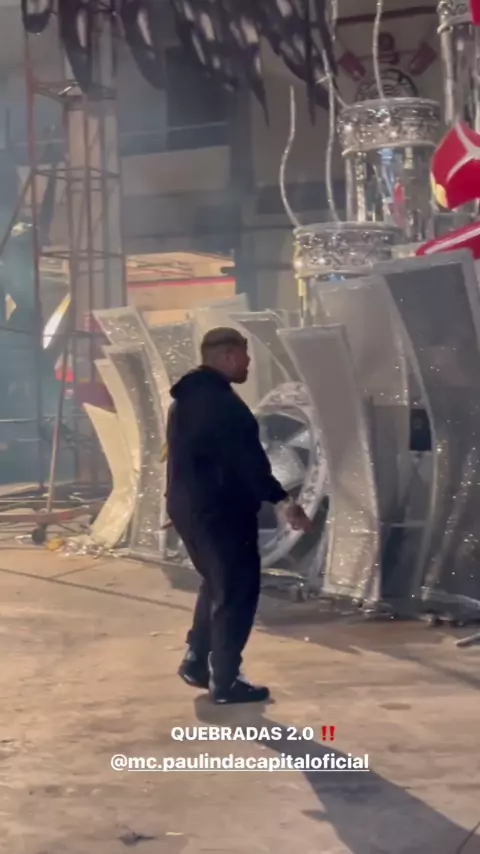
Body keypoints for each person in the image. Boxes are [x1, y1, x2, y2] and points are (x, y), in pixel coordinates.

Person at [166, 326, 311, 705]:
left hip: (189, 506)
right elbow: (248, 463)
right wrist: (283, 500)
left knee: (216, 582)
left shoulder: (186, 399)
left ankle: (197, 660)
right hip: (220, 510)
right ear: (228, 356)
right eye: (245, 356)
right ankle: (226, 680)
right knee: (237, 590)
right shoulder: (223, 405)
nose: (249, 364)